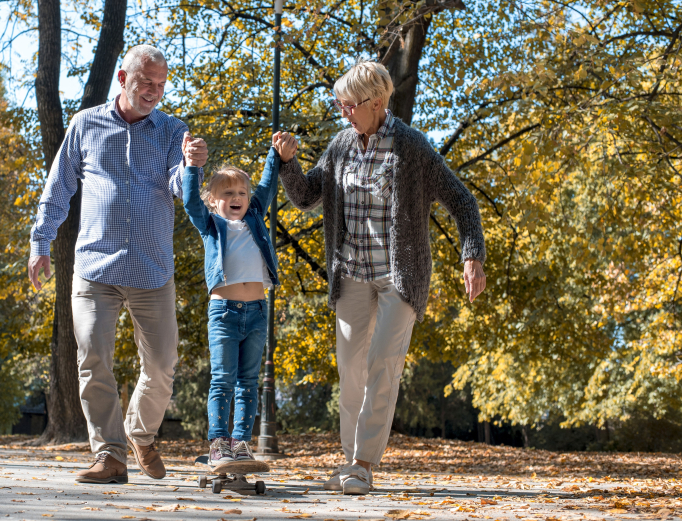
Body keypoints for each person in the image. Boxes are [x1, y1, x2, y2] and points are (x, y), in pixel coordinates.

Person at [274, 61, 487, 495]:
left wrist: (472, 256)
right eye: (340, 104)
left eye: (349, 105)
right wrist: (288, 163)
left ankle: (363, 464)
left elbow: (463, 201)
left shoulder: (412, 148)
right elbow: (306, 195)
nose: (343, 112)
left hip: (398, 277)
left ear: (376, 102)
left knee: (382, 366)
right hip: (351, 273)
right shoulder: (340, 146)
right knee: (351, 371)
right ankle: (349, 459)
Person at [27, 45, 208, 484]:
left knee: (162, 364)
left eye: (161, 84)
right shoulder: (84, 124)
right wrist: (40, 242)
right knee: (92, 358)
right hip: (95, 268)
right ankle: (109, 455)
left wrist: (191, 167)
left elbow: (178, 187)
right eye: (146, 82)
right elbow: (58, 187)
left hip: (152, 269)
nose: (154, 91)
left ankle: (139, 433)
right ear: (123, 80)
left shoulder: (173, 130)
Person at [180, 141, 282, 464]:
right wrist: (192, 167)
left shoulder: (255, 217)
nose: (236, 198)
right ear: (213, 200)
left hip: (257, 313)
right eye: (227, 193)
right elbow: (189, 202)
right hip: (224, 312)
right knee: (223, 379)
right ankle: (218, 443)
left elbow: (266, 186)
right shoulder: (211, 225)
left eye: (241, 192)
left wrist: (275, 154)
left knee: (248, 383)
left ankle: (240, 443)